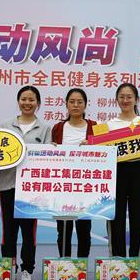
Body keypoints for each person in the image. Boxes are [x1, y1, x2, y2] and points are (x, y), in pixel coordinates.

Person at [0, 86, 51, 280]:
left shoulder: (45, 129)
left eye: (31, 100)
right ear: (18, 101)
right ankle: (9, 268)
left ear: (38, 103)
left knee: (29, 232)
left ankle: (27, 269)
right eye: (24, 99)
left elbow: (49, 158)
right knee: (8, 230)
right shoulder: (5, 127)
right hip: (7, 184)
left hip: (31, 190)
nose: (27, 103)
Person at [106, 83, 140, 258]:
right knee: (115, 217)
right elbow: (100, 151)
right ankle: (116, 261)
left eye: (129, 97)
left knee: (138, 217)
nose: (125, 100)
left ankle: (136, 262)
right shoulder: (108, 125)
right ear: (116, 100)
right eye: (122, 97)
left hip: (138, 170)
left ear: (136, 100)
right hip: (115, 172)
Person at [50, 88, 97, 258]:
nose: (75, 105)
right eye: (72, 102)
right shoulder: (58, 128)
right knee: (63, 230)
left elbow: (105, 152)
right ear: (66, 104)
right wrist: (51, 149)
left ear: (85, 105)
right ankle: (65, 263)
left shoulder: (95, 127)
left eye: (79, 102)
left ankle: (81, 266)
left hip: (86, 186)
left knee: (84, 230)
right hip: (62, 186)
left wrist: (93, 144)